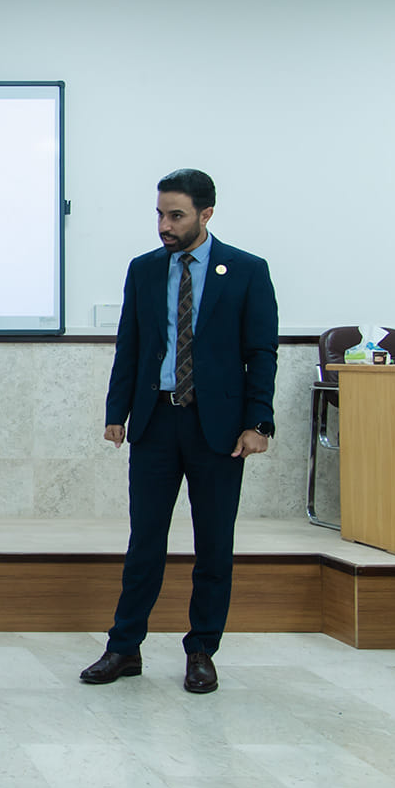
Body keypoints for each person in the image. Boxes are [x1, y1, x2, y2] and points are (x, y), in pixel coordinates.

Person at [81, 169, 278, 695]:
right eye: (160, 214)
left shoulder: (247, 270)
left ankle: (201, 651)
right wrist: (116, 412)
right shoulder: (144, 269)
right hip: (155, 422)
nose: (164, 226)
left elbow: (261, 352)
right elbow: (130, 344)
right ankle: (124, 647)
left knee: (214, 543)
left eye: (176, 216)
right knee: (145, 540)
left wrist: (258, 422)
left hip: (219, 429)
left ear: (206, 214)